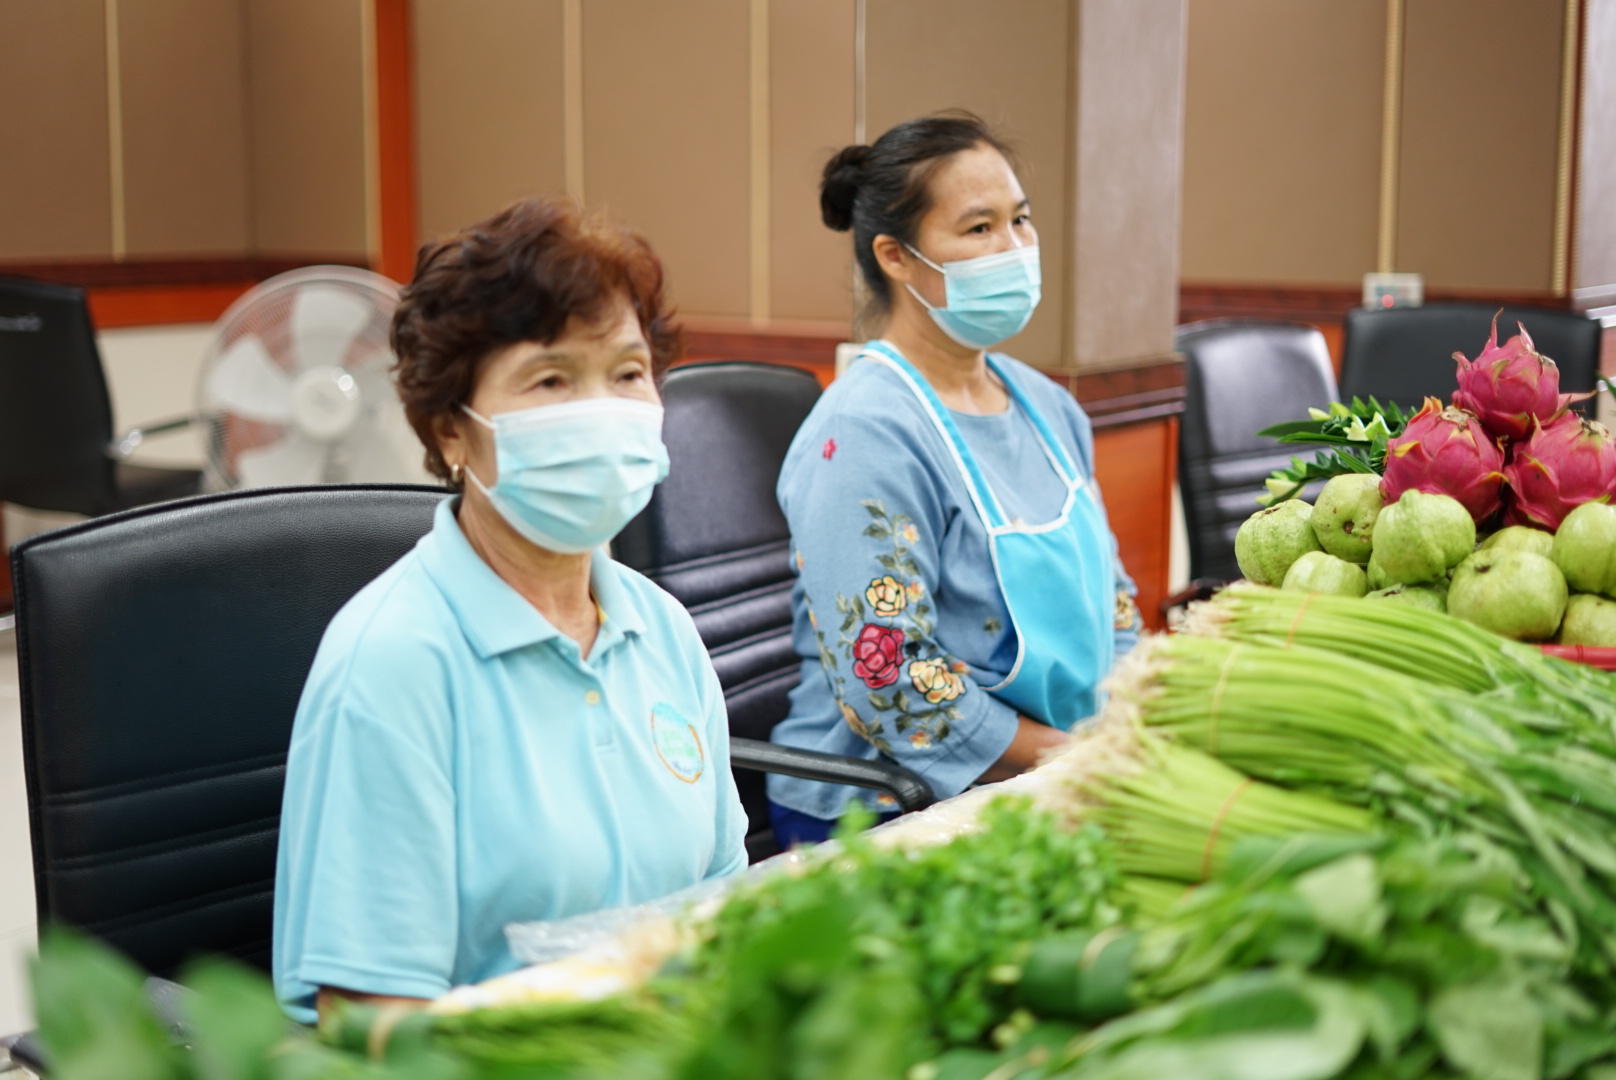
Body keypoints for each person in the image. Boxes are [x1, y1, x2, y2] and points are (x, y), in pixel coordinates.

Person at [273, 197, 748, 1022]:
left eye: (629, 373)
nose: (602, 411)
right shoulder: (392, 664)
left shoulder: (661, 626)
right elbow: (371, 1019)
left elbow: (725, 908)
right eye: (551, 379)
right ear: (453, 432)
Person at [768, 112, 1141, 847]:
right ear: (896, 257)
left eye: (1021, 221)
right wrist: (1073, 760)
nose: (1014, 249)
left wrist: (1131, 717)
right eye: (978, 230)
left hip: (1055, 770)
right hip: (879, 806)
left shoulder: (1048, 406)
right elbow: (890, 677)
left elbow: (1115, 606)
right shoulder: (866, 432)